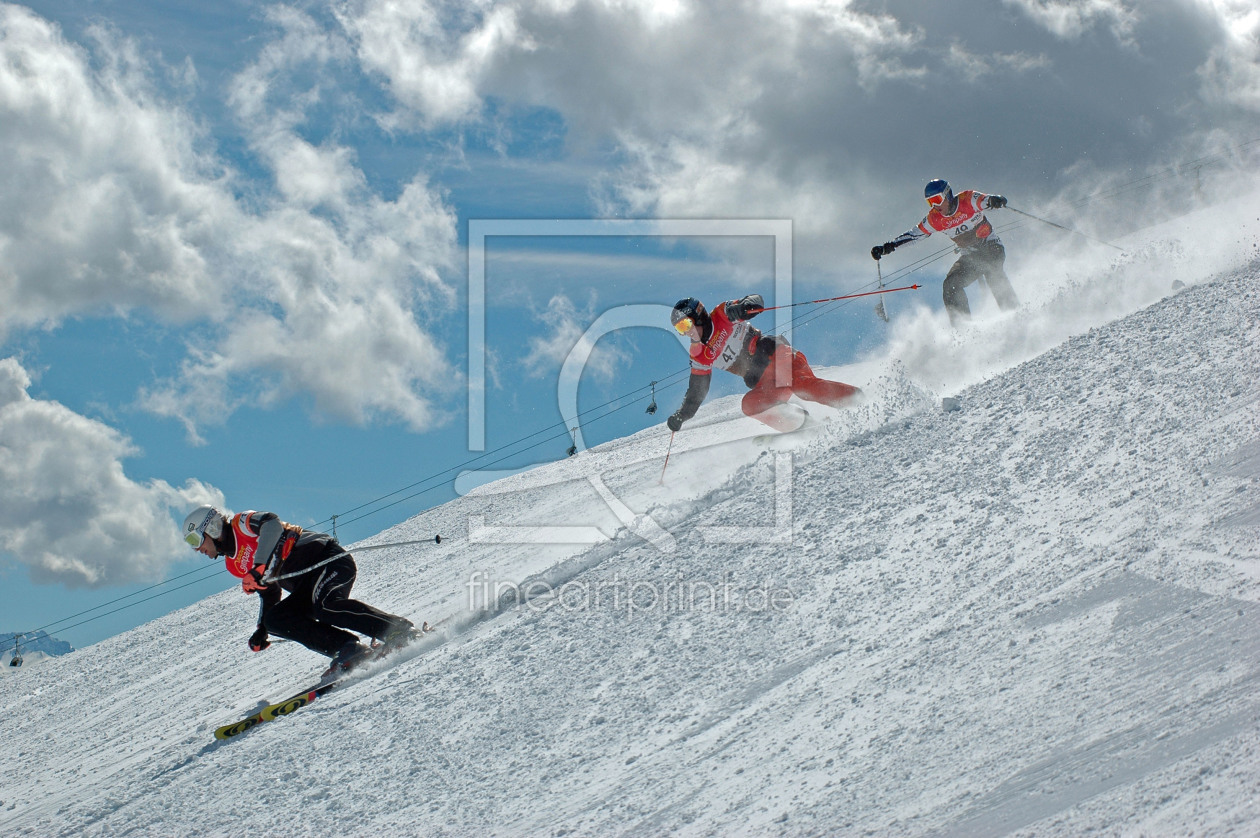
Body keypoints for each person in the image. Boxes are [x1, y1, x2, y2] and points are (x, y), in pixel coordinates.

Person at [182, 506, 417, 677]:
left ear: (211, 527)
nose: (196, 549)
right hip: (306, 585)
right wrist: (262, 629)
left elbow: (272, 524)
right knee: (275, 620)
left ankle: (398, 630)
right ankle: (348, 648)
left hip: (328, 560)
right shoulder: (234, 565)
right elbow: (270, 592)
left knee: (325, 606)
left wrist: (259, 565)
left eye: (195, 539)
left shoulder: (241, 523)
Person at [666, 295, 861, 434]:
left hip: (779, 357)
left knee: (802, 386)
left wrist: (746, 306)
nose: (686, 333)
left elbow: (755, 300)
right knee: (750, 404)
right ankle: (804, 427)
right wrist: (682, 415)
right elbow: (696, 391)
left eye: (686, 325)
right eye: (680, 329)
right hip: (765, 381)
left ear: (698, 316)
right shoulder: (699, 354)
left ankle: (858, 401)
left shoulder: (721, 315)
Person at [871, 178, 1019, 326]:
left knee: (991, 269)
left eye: (937, 199)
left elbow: (985, 201)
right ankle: (963, 331)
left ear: (947, 195)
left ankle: (1015, 314)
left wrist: (995, 200)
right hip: (971, 256)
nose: (935, 205)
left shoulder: (967, 199)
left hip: (991, 246)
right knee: (950, 285)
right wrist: (887, 247)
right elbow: (914, 236)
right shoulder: (934, 219)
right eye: (930, 202)